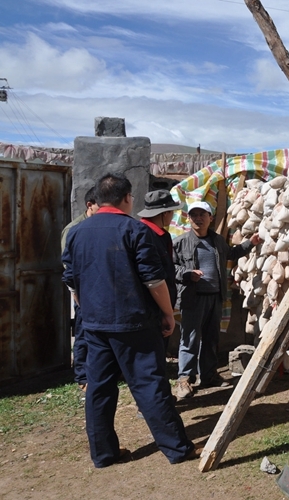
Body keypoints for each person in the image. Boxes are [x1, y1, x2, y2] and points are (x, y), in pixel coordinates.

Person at [62, 174, 197, 468]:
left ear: (98, 199)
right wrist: (167, 313)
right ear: (126, 198)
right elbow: (154, 280)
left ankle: (104, 454)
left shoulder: (77, 232)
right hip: (134, 323)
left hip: (94, 325)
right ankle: (177, 448)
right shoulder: (135, 230)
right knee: (150, 386)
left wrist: (89, 310)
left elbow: (71, 282)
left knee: (99, 389)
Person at [173, 201, 261, 400]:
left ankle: (209, 375)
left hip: (215, 297)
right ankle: (184, 379)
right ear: (188, 218)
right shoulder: (180, 242)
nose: (198, 218)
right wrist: (187, 274)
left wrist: (251, 243)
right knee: (190, 339)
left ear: (210, 218)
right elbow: (170, 267)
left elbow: (232, 253)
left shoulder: (217, 241)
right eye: (194, 215)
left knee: (211, 338)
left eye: (202, 215)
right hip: (193, 299)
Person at [60, 187, 99, 391]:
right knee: (83, 332)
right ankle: (83, 376)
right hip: (82, 290)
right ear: (89, 205)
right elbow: (69, 265)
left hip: (98, 289)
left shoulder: (98, 225)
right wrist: (77, 294)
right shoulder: (74, 229)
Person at [138, 189, 182, 352]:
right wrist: (166, 312)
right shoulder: (144, 235)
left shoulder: (161, 235)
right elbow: (153, 279)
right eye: (171, 212)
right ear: (165, 213)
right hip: (151, 309)